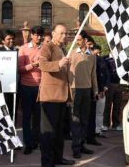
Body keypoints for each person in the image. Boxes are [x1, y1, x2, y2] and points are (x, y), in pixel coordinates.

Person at [39, 23, 75, 167]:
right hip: (50, 97)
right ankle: (47, 163)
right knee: (48, 133)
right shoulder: (47, 47)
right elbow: (42, 65)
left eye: (65, 33)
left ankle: (57, 158)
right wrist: (59, 64)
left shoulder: (63, 49)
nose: (64, 36)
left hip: (62, 96)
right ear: (53, 33)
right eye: (61, 33)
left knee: (60, 132)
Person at [68, 31, 98, 159]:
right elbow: (68, 74)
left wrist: (95, 90)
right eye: (76, 39)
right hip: (75, 90)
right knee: (76, 120)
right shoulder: (71, 54)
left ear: (86, 40)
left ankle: (81, 144)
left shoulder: (92, 56)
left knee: (85, 120)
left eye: (79, 39)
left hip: (87, 90)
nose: (77, 41)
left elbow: (93, 74)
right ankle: (75, 148)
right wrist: (69, 93)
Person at [18, 26, 44, 155]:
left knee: (38, 117)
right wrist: (32, 65)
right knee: (27, 117)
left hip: (41, 87)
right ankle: (28, 143)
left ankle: (35, 141)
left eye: (41, 35)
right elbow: (19, 69)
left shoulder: (44, 48)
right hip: (26, 86)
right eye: (37, 35)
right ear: (32, 35)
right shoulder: (23, 49)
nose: (39, 37)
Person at [0, 29, 19, 154]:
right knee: (0, 117)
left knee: (12, 116)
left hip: (13, 89)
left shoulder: (16, 51)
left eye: (12, 38)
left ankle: (12, 141)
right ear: (3, 40)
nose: (11, 41)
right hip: (0, 91)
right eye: (8, 39)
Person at [83, 36, 102, 146]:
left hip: (92, 90)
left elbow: (96, 75)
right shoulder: (80, 55)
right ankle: (82, 138)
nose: (90, 47)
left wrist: (96, 90)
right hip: (82, 89)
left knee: (92, 115)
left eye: (91, 45)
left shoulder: (95, 57)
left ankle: (91, 137)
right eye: (89, 44)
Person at [92, 45, 109, 138]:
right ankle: (92, 131)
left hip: (102, 91)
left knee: (100, 112)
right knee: (92, 113)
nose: (98, 54)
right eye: (96, 53)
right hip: (93, 91)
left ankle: (98, 130)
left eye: (99, 53)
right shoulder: (90, 61)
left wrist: (105, 87)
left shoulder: (102, 61)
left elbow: (106, 74)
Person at [104, 54, 123, 131]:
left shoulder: (121, 58)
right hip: (110, 84)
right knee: (107, 105)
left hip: (119, 84)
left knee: (117, 105)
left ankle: (116, 124)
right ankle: (105, 124)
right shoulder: (106, 59)